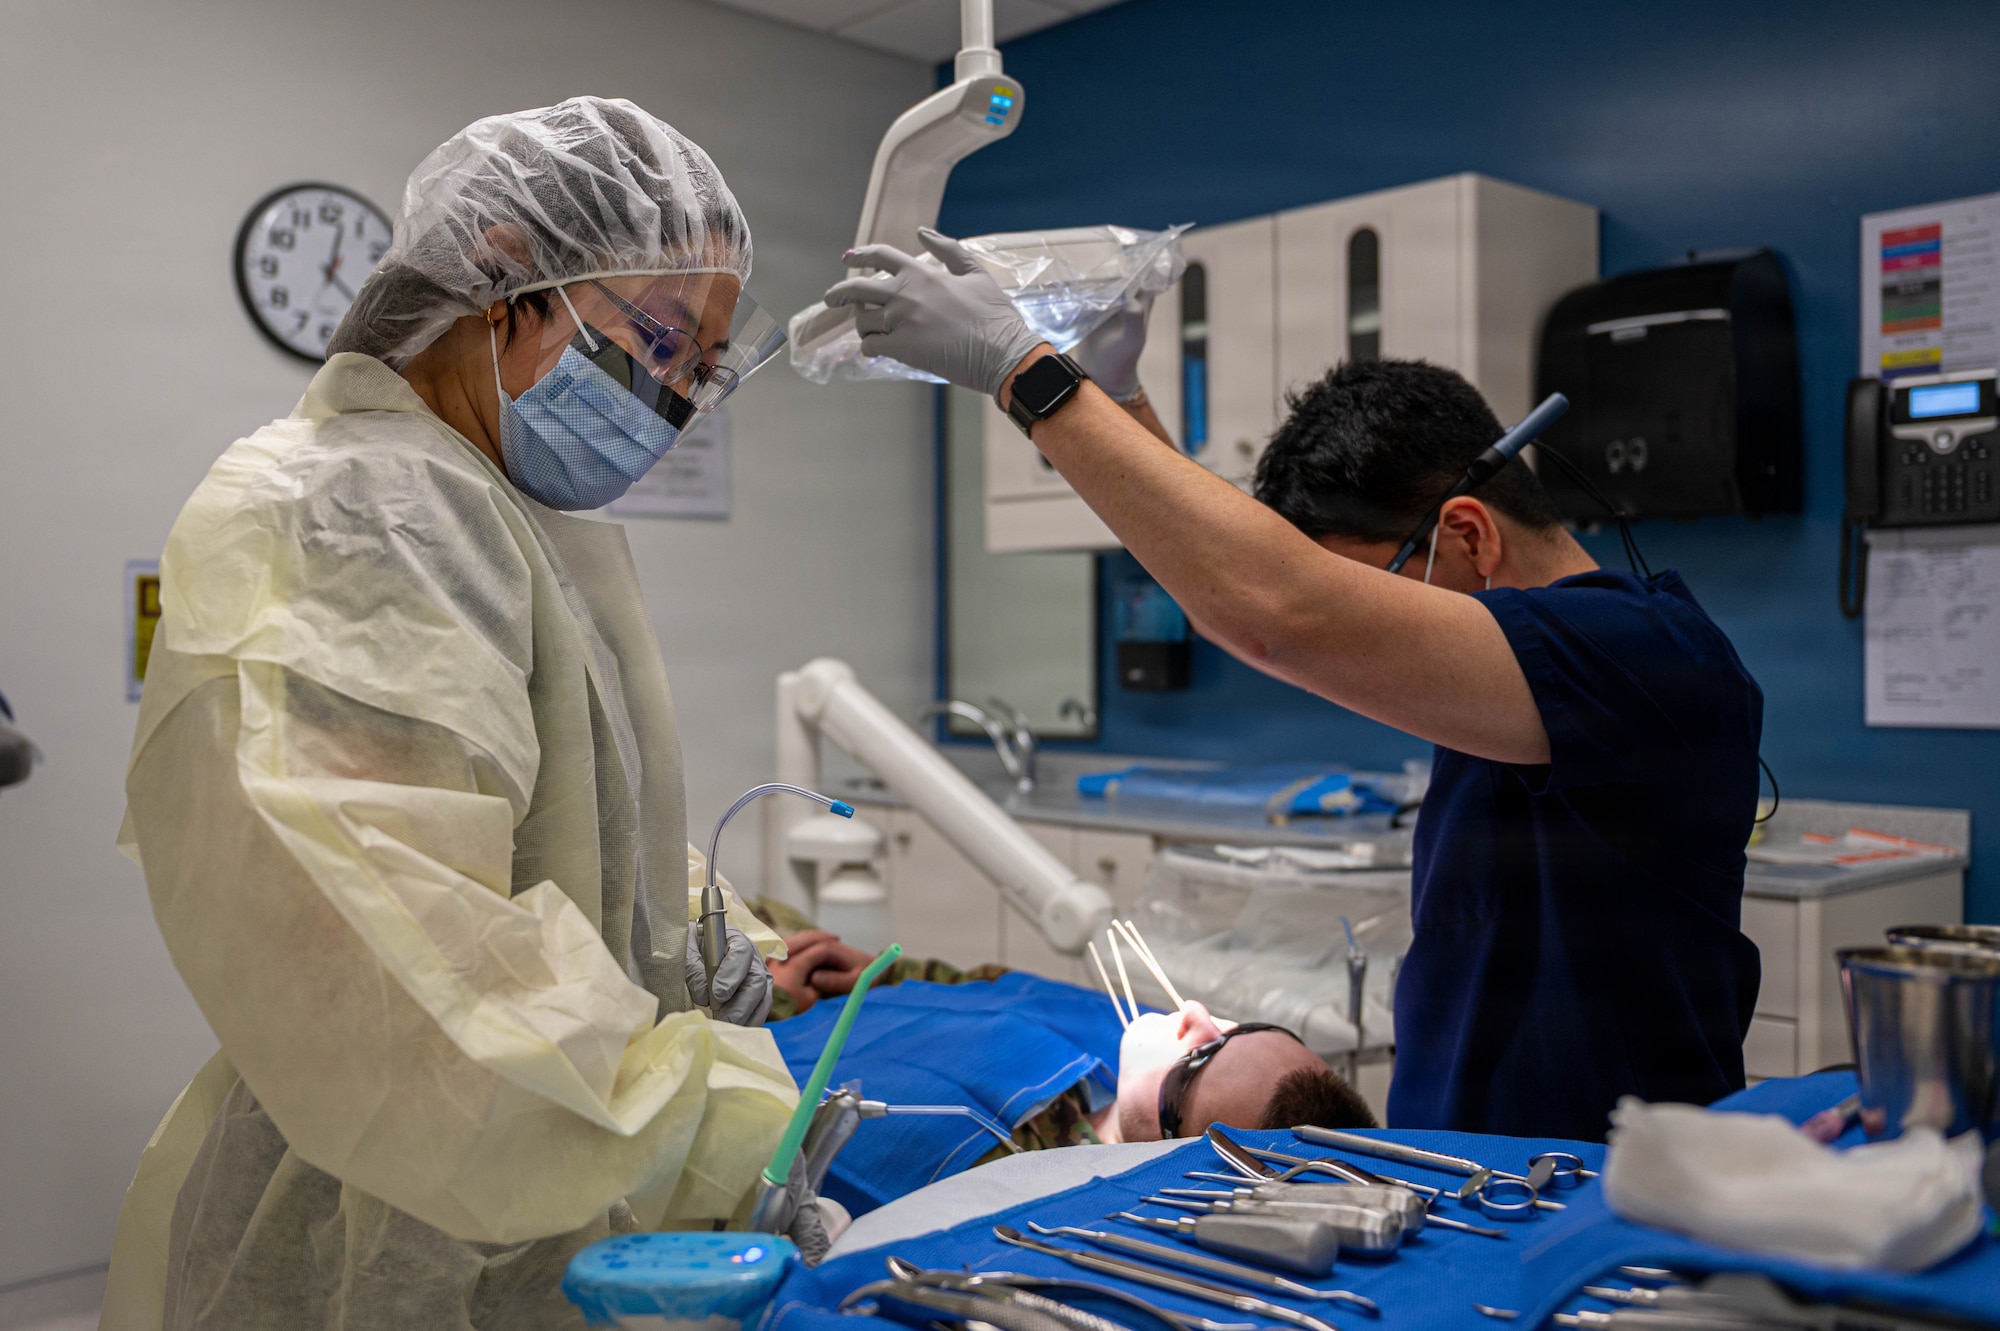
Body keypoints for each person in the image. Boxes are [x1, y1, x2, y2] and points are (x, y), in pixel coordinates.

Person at [821, 232, 1764, 1143]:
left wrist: (1021, 371)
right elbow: (1251, 590)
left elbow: (1278, 613)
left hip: (1605, 1197)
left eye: (1372, 583)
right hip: (1475, 1178)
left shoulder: (1639, 657)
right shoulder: (1524, 667)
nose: (1358, 618)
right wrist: (1121, 401)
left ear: (1470, 535)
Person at [104, 99, 798, 1331]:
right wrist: (720, 1126)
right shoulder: (363, 510)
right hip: (387, 1237)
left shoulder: (493, 513)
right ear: (501, 272)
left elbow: (554, 819)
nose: (675, 397)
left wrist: (702, 932)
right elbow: (409, 964)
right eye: (659, 338)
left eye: (704, 370)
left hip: (533, 1205)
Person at [751, 901, 1374, 1149]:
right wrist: (887, 980)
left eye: (1199, 1059)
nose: (1194, 1014)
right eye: (1236, 1029)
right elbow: (988, 985)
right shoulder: (1131, 1035)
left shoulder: (1000, 1162)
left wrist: (759, 1006)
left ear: (1169, 1156)